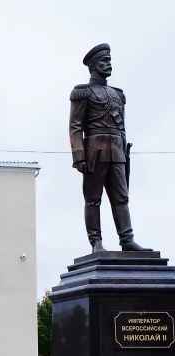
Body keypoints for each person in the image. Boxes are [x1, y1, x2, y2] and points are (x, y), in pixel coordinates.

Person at [69, 43, 150, 252]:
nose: (109, 64)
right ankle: (96, 243)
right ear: (94, 65)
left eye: (110, 60)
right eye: (104, 61)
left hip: (117, 153)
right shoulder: (82, 92)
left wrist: (123, 151)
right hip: (94, 153)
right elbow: (76, 126)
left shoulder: (118, 94)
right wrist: (79, 156)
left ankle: (127, 240)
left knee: (121, 198)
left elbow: (122, 126)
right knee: (93, 199)